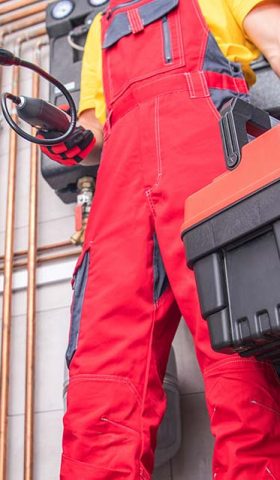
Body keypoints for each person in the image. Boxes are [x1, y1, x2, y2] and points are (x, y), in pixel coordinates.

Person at [39, 1, 280, 479]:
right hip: (120, 179)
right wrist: (68, 135)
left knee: (240, 355)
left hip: (213, 155)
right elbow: (95, 126)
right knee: (101, 371)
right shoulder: (99, 28)